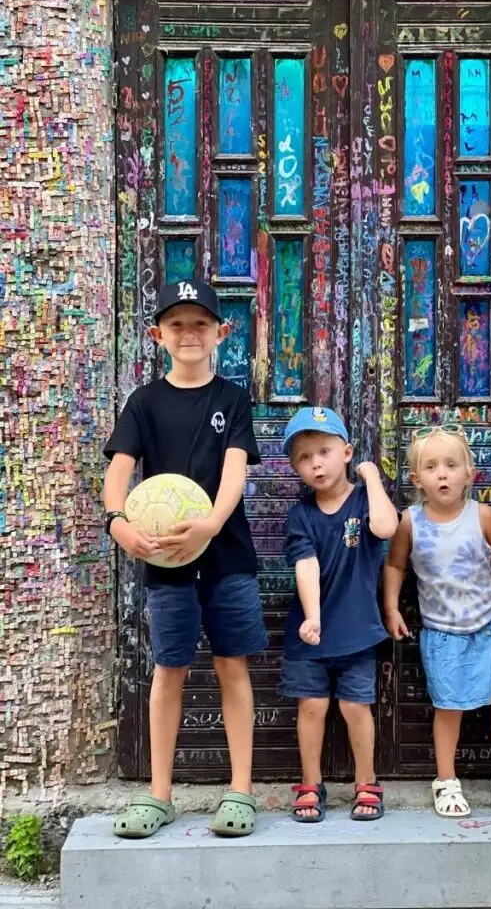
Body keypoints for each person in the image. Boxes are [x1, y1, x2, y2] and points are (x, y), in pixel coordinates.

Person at [103, 280, 266, 839]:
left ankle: (240, 789)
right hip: (165, 560)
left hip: (228, 557)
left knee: (232, 666)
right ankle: (159, 794)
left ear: (222, 332)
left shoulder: (233, 398)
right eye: (178, 324)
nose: (190, 333)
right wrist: (118, 523)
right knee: (168, 670)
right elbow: (119, 474)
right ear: (158, 335)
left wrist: (214, 523)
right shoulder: (143, 403)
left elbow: (236, 470)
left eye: (201, 323)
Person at [383, 425, 491, 819]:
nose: (442, 474)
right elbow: (395, 565)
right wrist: (392, 607)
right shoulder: (409, 522)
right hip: (444, 634)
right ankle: (446, 780)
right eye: (431, 467)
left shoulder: (483, 516)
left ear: (470, 473)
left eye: (451, 465)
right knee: (448, 707)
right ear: (416, 479)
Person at [279, 407, 399, 823]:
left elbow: (386, 529)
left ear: (346, 452)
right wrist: (311, 617)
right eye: (304, 457)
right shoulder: (301, 515)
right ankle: (311, 782)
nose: (316, 463)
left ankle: (366, 782)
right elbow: (305, 564)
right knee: (311, 705)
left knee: (354, 707)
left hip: (357, 631)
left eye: (324, 451)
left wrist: (372, 478)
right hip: (309, 632)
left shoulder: (366, 500)